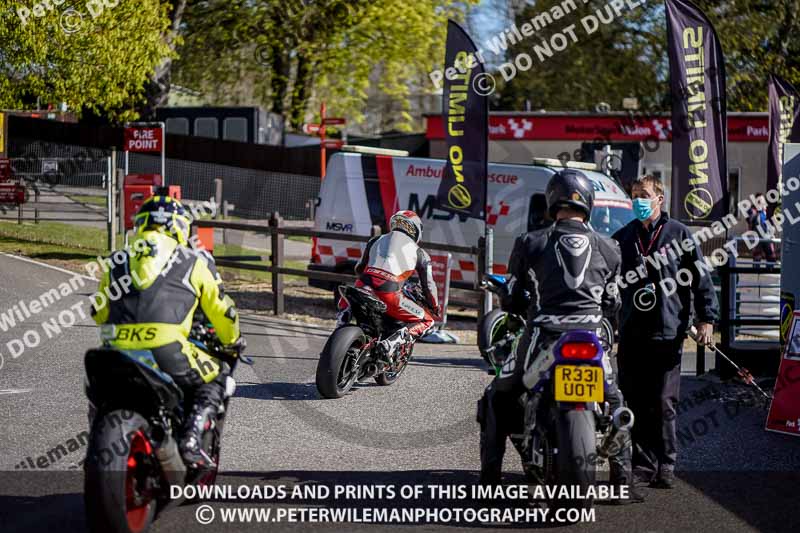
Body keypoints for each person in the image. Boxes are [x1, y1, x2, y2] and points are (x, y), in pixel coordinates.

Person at [477, 169, 643, 504]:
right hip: (592, 338)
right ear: (590, 204)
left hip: (542, 338)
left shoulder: (530, 242)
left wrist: (523, 302)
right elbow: (613, 302)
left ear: (553, 201)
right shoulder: (610, 248)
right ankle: (622, 482)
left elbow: (510, 298)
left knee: (497, 396)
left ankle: (490, 482)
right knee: (616, 404)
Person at [91, 195, 243, 469]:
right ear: (179, 227)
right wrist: (232, 341)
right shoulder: (193, 259)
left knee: (100, 392)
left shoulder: (116, 260)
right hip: (168, 349)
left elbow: (98, 312)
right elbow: (223, 311)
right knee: (216, 376)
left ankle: (97, 436)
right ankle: (192, 440)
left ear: (141, 224)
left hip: (114, 349)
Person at [612, 175, 718, 489]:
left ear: (660, 198)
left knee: (663, 402)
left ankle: (666, 464)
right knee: (633, 401)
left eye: (643, 195)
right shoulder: (622, 237)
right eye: (633, 195)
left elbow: (701, 280)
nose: (637, 201)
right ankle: (642, 466)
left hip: (667, 333)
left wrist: (706, 319)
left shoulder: (679, 234)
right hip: (632, 334)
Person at [338, 210, 440, 361]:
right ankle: (391, 343)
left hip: (363, 284)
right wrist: (435, 306)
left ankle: (342, 317)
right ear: (417, 230)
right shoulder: (420, 253)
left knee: (350, 295)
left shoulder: (375, 240)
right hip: (389, 293)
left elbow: (359, 268)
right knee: (428, 320)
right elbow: (429, 286)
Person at [747, 193, 777, 266]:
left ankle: (770, 270)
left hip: (767, 237)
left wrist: (772, 234)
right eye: (759, 201)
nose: (762, 202)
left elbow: (771, 223)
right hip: (757, 238)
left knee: (771, 257)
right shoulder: (752, 210)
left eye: (762, 200)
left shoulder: (767, 211)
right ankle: (755, 272)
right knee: (757, 258)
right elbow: (750, 222)